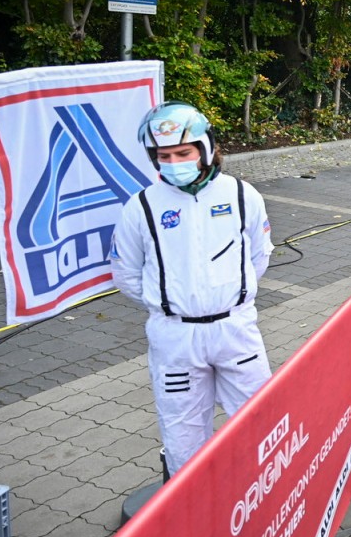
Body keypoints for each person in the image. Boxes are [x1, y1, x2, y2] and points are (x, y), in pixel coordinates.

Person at [110, 101, 274, 478]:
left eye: (183, 152)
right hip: (175, 337)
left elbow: (259, 255)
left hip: (235, 329)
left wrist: (227, 295)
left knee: (260, 422)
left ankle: (264, 501)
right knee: (183, 436)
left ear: (206, 148)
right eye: (164, 155)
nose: (174, 162)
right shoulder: (141, 207)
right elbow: (127, 274)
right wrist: (171, 304)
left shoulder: (241, 194)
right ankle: (194, 517)